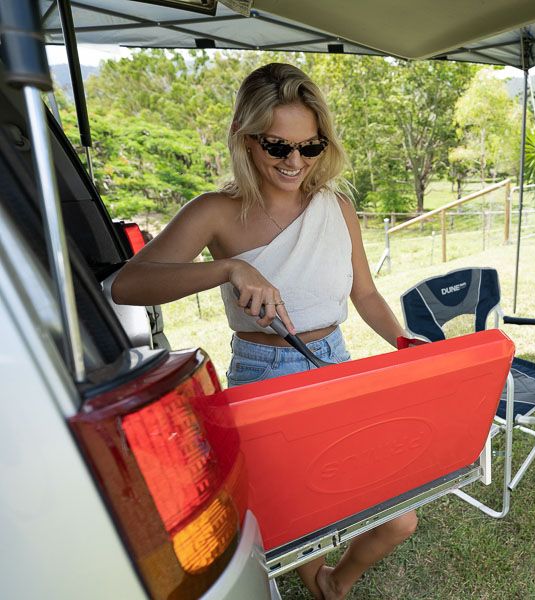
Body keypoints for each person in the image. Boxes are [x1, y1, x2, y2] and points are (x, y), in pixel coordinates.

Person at [112, 62, 415, 600]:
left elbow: (363, 293)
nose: (295, 162)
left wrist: (403, 342)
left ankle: (334, 583)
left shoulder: (336, 207)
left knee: (398, 517)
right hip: (262, 370)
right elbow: (129, 284)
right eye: (277, 147)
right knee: (289, 512)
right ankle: (314, 578)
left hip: (333, 362)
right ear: (245, 139)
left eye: (310, 147)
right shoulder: (216, 212)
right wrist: (229, 269)